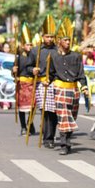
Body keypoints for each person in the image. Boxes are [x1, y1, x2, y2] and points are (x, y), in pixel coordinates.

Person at [49, 17, 90, 155]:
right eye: (65, 40)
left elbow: (81, 74)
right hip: (59, 89)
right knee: (63, 117)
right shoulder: (53, 56)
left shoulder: (76, 56)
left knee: (72, 117)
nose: (68, 42)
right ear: (59, 41)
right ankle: (64, 145)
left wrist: (84, 87)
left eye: (69, 40)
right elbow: (51, 73)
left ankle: (67, 139)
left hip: (73, 90)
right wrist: (46, 81)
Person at [31, 15, 59, 149]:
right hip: (40, 83)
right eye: (47, 36)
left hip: (53, 83)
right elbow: (27, 66)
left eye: (52, 37)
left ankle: (50, 137)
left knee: (52, 112)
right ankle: (46, 135)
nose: (49, 39)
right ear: (43, 37)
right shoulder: (36, 51)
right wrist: (33, 70)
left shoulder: (58, 51)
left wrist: (52, 79)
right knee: (44, 111)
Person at [13, 24, 36, 135]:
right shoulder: (18, 57)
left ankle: (30, 123)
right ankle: (23, 127)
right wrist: (14, 70)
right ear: (23, 45)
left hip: (32, 84)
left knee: (32, 107)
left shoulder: (35, 56)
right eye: (27, 44)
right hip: (22, 84)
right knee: (22, 107)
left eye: (31, 44)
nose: (29, 46)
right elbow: (13, 73)